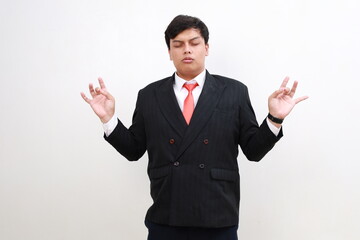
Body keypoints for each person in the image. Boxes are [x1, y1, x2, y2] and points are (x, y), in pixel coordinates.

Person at [81, 15, 308, 240]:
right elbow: (133, 150)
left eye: (194, 43)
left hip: (217, 213)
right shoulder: (150, 95)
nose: (186, 50)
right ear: (169, 52)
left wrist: (274, 119)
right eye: (178, 45)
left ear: (206, 48)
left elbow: (254, 151)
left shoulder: (234, 91)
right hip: (166, 213)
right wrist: (108, 119)